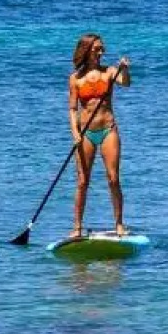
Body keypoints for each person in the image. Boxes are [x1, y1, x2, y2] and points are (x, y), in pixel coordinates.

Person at [68, 33, 132, 237]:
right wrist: (75, 132)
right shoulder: (75, 79)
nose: (101, 52)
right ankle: (77, 228)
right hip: (85, 133)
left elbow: (125, 83)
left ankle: (119, 224)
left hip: (108, 129)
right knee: (82, 181)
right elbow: (72, 109)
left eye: (102, 49)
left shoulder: (109, 72)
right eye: (97, 49)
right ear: (87, 51)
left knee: (113, 178)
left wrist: (125, 68)